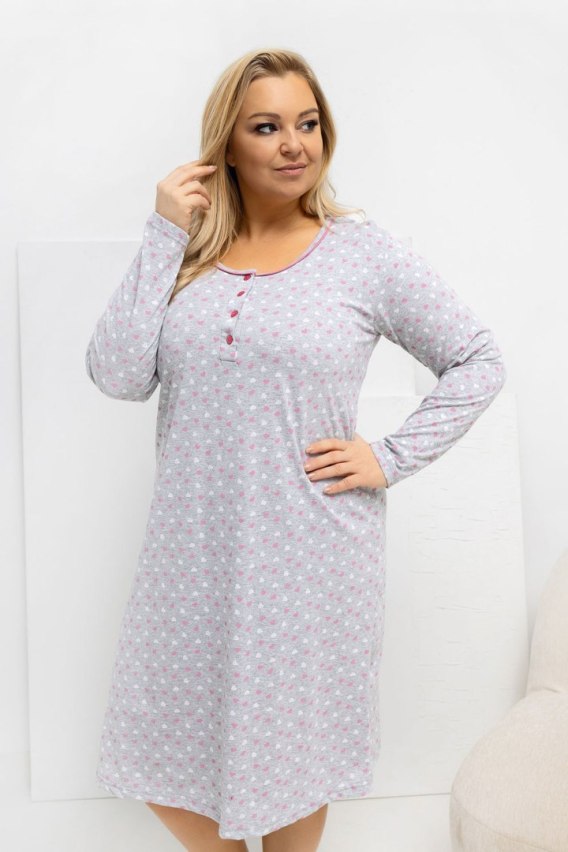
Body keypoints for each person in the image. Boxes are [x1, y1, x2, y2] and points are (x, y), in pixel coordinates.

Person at [86, 47, 507, 852]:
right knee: (163, 755)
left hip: (310, 560)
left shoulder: (363, 255)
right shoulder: (187, 257)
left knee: (291, 761)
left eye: (308, 124)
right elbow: (116, 374)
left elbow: (477, 359)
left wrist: (389, 456)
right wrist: (165, 233)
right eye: (267, 127)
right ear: (226, 144)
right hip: (189, 561)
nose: (294, 145)